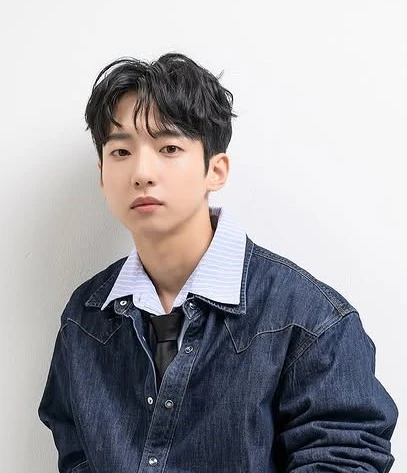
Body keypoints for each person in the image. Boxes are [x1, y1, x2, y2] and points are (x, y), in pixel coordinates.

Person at [38, 53, 398, 473]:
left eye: (169, 148)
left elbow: (345, 457)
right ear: (102, 174)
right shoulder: (85, 317)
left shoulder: (309, 320)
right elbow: (76, 454)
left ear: (216, 170)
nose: (142, 172)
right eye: (120, 151)